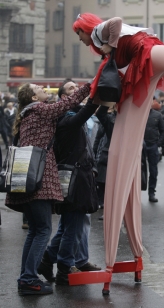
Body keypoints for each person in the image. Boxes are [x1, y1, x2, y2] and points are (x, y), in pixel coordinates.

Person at [72, 13, 164, 274]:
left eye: (80, 35)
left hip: (154, 54)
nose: (80, 40)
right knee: (130, 144)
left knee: (124, 149)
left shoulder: (102, 32)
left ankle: (112, 260)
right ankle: (133, 254)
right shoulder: (111, 53)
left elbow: (116, 21)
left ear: (87, 29)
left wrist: (109, 43)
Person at [5, 81, 91, 296]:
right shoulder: (40, 110)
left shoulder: (26, 114)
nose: (43, 88)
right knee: (43, 230)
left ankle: (26, 277)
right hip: (39, 181)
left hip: (27, 179)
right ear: (34, 98)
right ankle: (28, 279)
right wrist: (90, 86)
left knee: (35, 231)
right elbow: (68, 103)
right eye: (39, 89)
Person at [38, 79, 101, 285]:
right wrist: (94, 94)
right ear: (65, 98)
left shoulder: (69, 116)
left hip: (77, 175)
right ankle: (65, 268)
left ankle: (48, 259)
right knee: (72, 227)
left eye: (77, 87)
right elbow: (87, 112)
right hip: (73, 178)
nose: (76, 90)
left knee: (68, 225)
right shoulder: (65, 118)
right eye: (72, 89)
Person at [144, 99, 164, 202]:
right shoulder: (138, 114)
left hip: (153, 146)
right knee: (139, 171)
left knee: (153, 171)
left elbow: (163, 131)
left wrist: (158, 143)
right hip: (141, 146)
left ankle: (151, 193)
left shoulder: (157, 115)